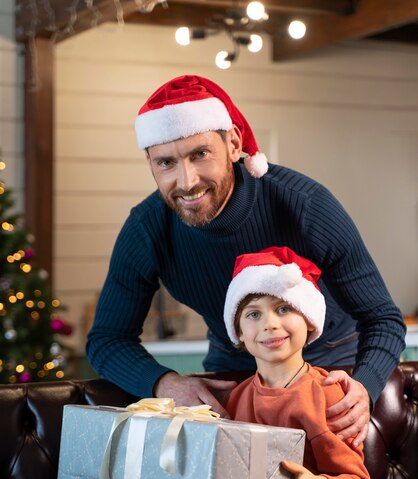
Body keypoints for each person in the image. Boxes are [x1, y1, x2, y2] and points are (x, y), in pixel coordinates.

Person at [86, 74, 406, 445]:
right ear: (150, 163)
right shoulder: (146, 229)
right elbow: (107, 340)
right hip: (234, 367)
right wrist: (164, 382)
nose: (186, 181)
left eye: (199, 154)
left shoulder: (306, 206)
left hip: (331, 364)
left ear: (234, 143)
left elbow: (383, 318)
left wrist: (363, 388)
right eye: (166, 163)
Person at [137, 246, 418, 479]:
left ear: (309, 321)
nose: (269, 324)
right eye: (254, 314)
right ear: (239, 332)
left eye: (283, 309)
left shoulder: (326, 393)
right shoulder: (237, 400)